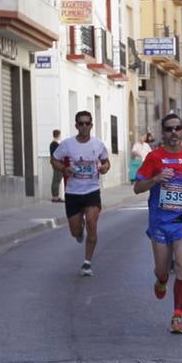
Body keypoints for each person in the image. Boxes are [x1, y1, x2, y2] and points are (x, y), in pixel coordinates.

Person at [134, 112, 182, 334]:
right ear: (163, 133)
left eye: (177, 128)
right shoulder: (154, 157)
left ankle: (178, 316)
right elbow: (137, 187)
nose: (174, 133)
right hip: (160, 222)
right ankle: (161, 280)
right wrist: (155, 180)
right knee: (163, 270)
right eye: (169, 129)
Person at [51, 111, 111, 277]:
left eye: (87, 123)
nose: (84, 126)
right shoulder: (67, 144)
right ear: (76, 126)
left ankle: (87, 262)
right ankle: (79, 231)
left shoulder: (98, 144)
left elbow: (106, 162)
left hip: (91, 190)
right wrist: (64, 168)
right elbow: (54, 159)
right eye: (81, 123)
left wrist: (105, 167)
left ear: (91, 125)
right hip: (72, 192)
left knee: (92, 222)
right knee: (75, 232)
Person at [48, 129, 64, 203]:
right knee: (57, 180)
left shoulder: (52, 144)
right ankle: (55, 197)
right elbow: (58, 155)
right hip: (58, 163)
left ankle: (55, 196)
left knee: (56, 180)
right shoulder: (55, 144)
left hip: (55, 163)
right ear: (58, 135)